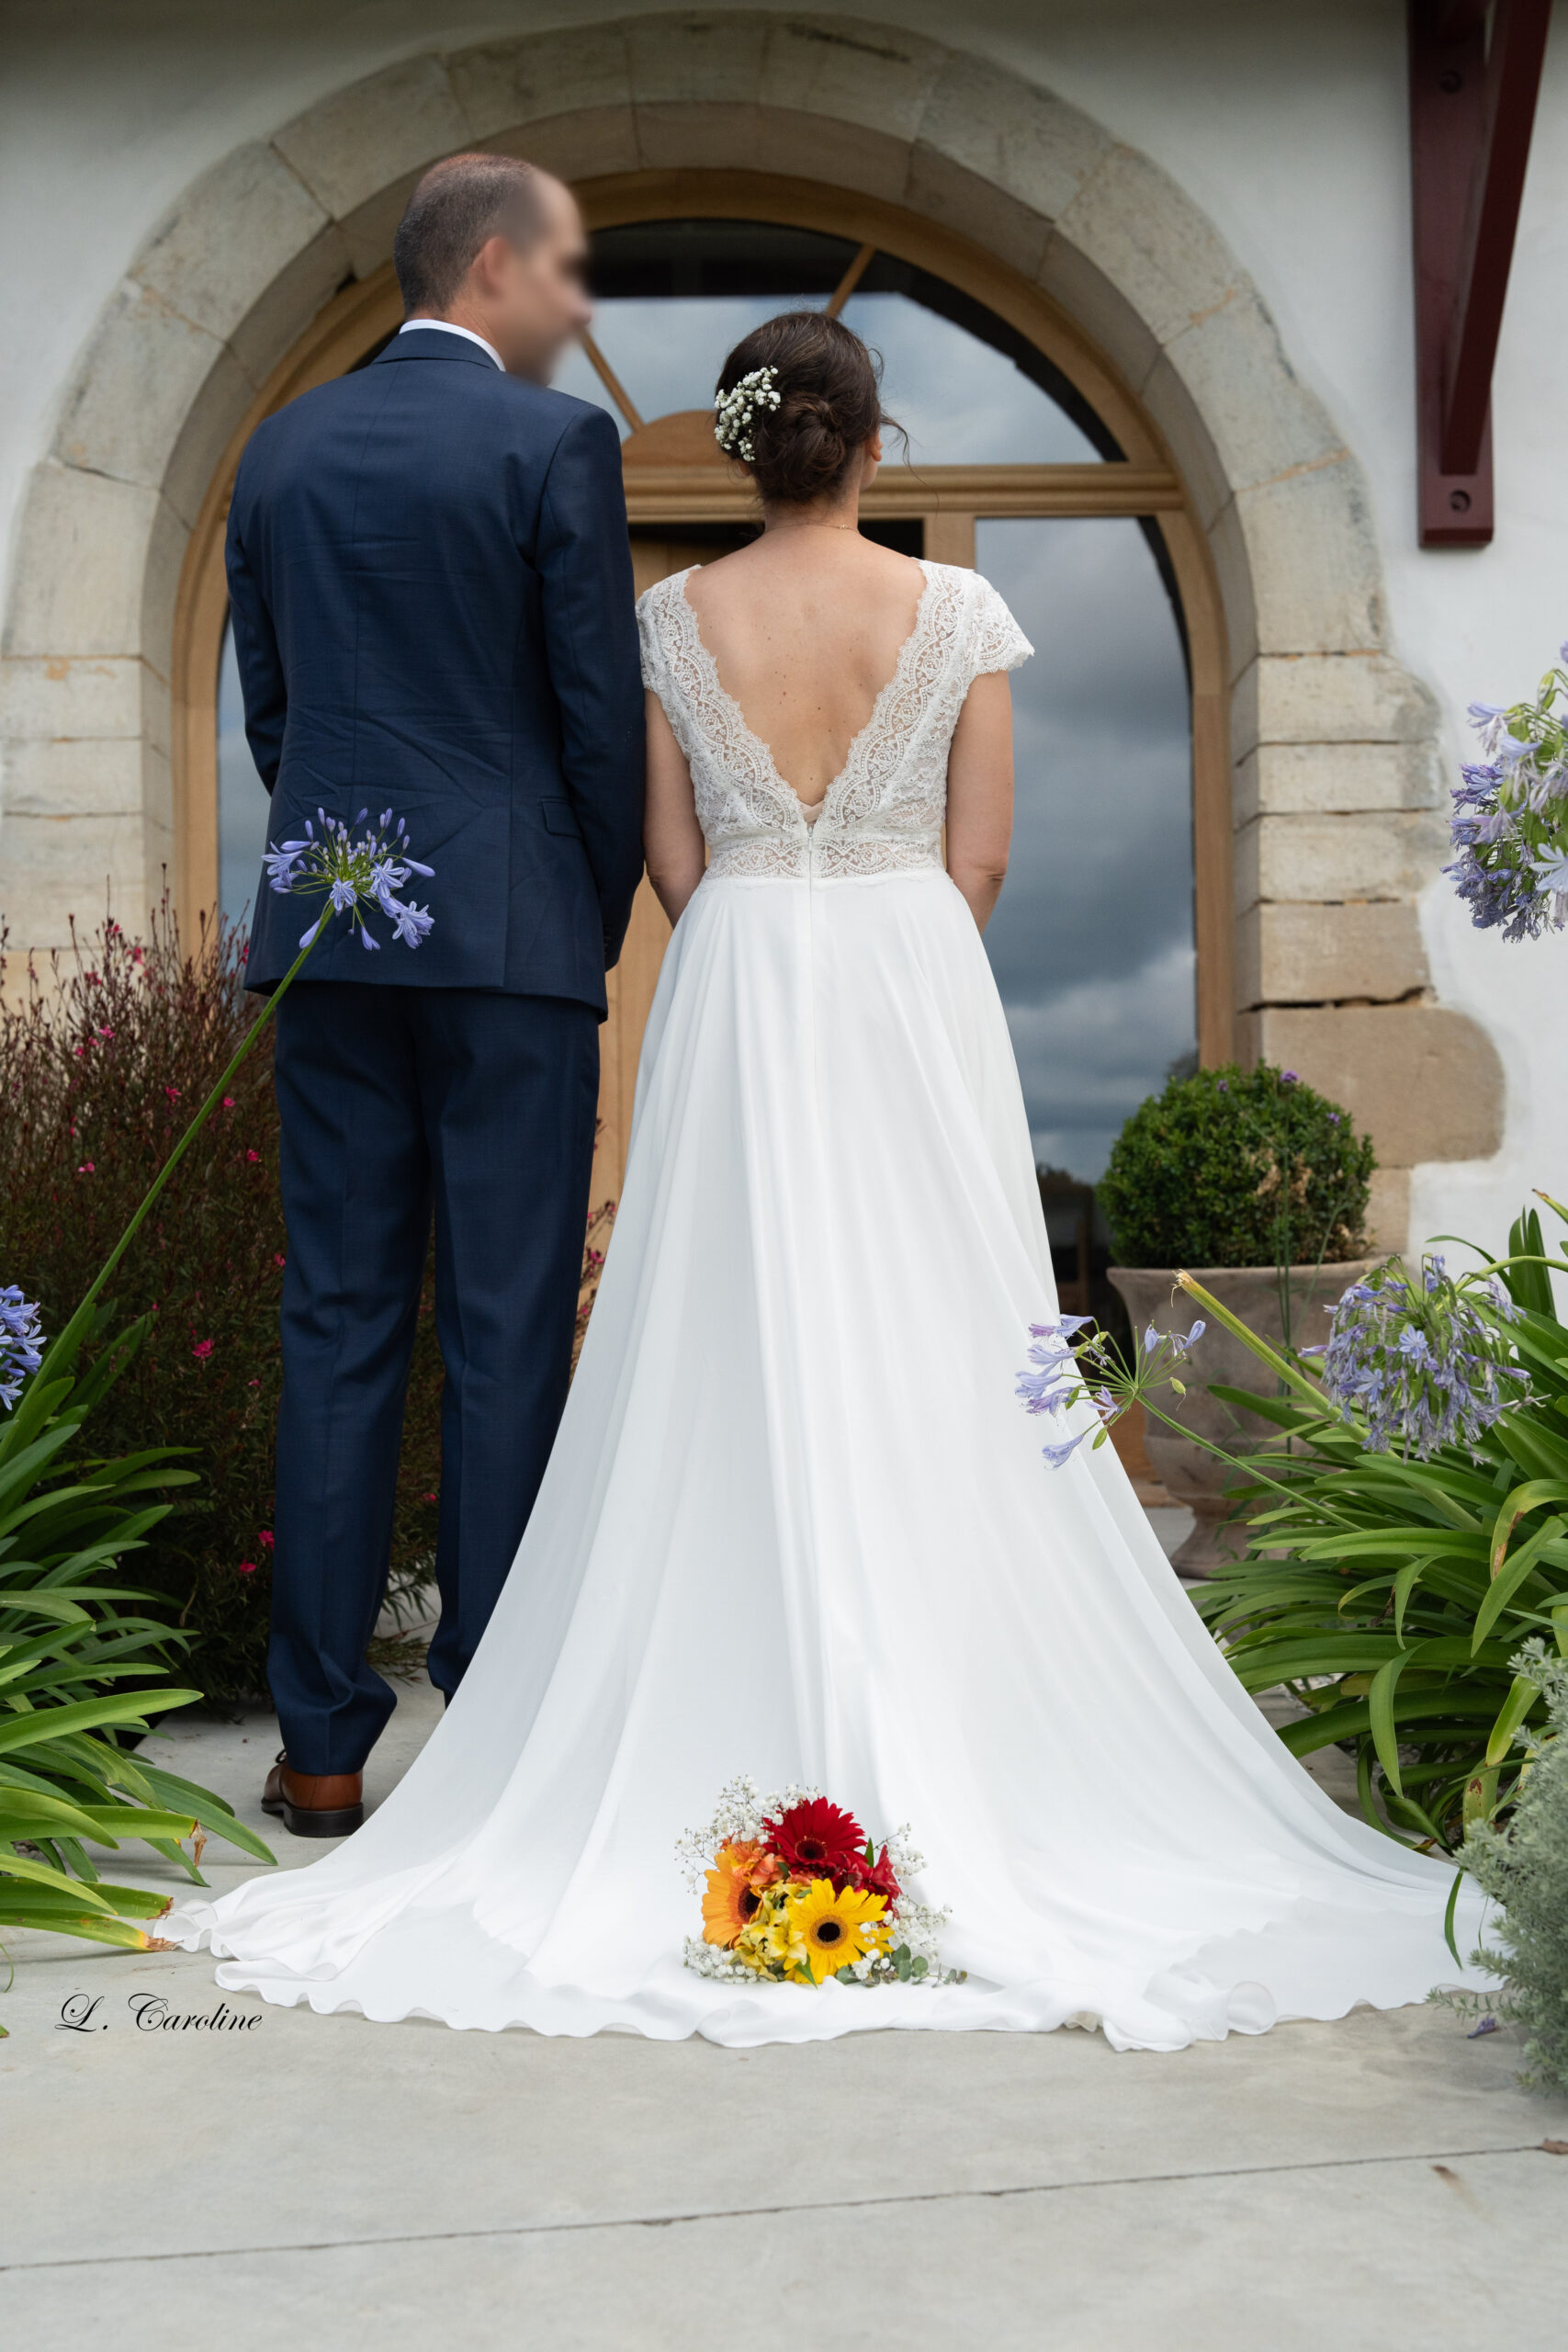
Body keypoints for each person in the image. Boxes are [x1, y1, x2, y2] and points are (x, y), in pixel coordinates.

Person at [170, 310, 1486, 2051]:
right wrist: (907, 966)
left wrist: (739, 935)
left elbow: (665, 847)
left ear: (736, 451)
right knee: (933, 1327)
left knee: (717, 1330)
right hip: (904, 975)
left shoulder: (673, 616)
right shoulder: (953, 613)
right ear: (876, 445)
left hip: (729, 976)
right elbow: (985, 849)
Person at [225, 155, 644, 1838]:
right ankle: (492, 1718)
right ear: (488, 264)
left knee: (333, 1323)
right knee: (503, 1329)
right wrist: (580, 908)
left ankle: (320, 1748)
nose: (578, 303)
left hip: (330, 931)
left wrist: (339, 859)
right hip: (512, 942)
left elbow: (276, 710)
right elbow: (596, 718)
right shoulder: (555, 447)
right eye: (567, 269)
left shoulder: (278, 447)